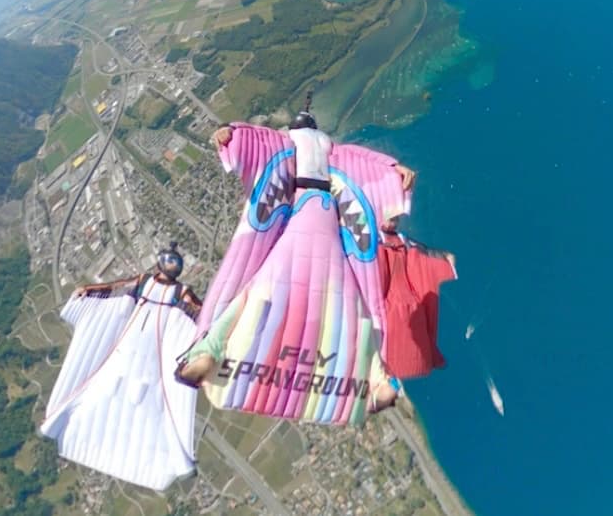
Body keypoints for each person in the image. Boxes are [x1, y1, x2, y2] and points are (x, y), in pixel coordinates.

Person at [175, 96, 416, 424]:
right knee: (351, 303)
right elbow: (369, 164)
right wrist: (394, 170)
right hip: (328, 224)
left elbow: (250, 138)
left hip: (298, 219)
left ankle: (210, 350)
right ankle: (378, 376)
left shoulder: (285, 142)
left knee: (253, 294)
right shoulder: (336, 153)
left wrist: (227, 133)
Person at [39, 243, 202, 491]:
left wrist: (88, 290)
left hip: (150, 351)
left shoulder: (169, 289)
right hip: (135, 347)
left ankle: (172, 460)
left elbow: (115, 288)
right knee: (112, 388)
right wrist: (88, 291)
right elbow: (117, 288)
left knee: (152, 399)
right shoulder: (154, 285)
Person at [377, 215, 458, 381]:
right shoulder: (369, 242)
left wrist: (443, 258)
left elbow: (439, 259)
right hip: (392, 327)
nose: (394, 218)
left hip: (400, 327)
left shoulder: (403, 242)